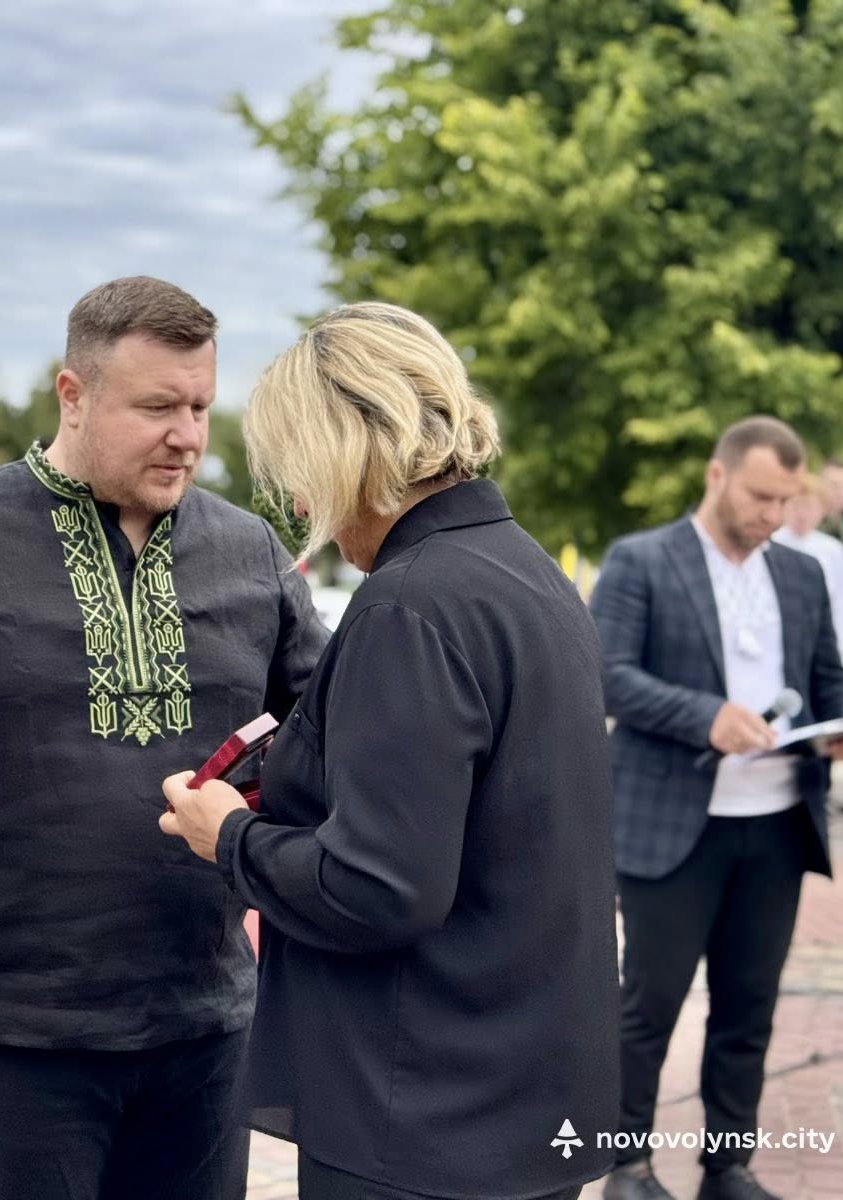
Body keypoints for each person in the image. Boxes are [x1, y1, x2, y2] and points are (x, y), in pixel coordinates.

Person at [0, 275, 327, 1200]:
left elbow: (328, 734)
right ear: (74, 394)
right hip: (20, 1036)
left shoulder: (250, 552)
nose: (187, 435)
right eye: (157, 407)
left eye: (201, 407)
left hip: (207, 1025)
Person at [161, 302, 620, 1200]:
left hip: (426, 1112)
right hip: (527, 1087)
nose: (301, 504)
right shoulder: (523, 570)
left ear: (341, 452)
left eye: (297, 472)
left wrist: (232, 839)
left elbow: (379, 889)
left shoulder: (410, 605)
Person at [590, 417, 843, 1200]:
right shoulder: (642, 560)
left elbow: (827, 680)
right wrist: (706, 716)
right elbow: (606, 674)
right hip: (671, 827)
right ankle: (626, 1166)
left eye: (785, 500)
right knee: (647, 1007)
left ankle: (728, 1167)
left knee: (748, 1008)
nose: (773, 514)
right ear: (717, 477)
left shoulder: (802, 573)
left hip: (779, 825)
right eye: (761, 497)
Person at [771, 472, 843, 672]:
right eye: (796, 505)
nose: (802, 514)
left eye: (809, 506)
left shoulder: (833, 549)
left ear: (822, 509)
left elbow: (842, 602)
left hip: (823, 644)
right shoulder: (771, 543)